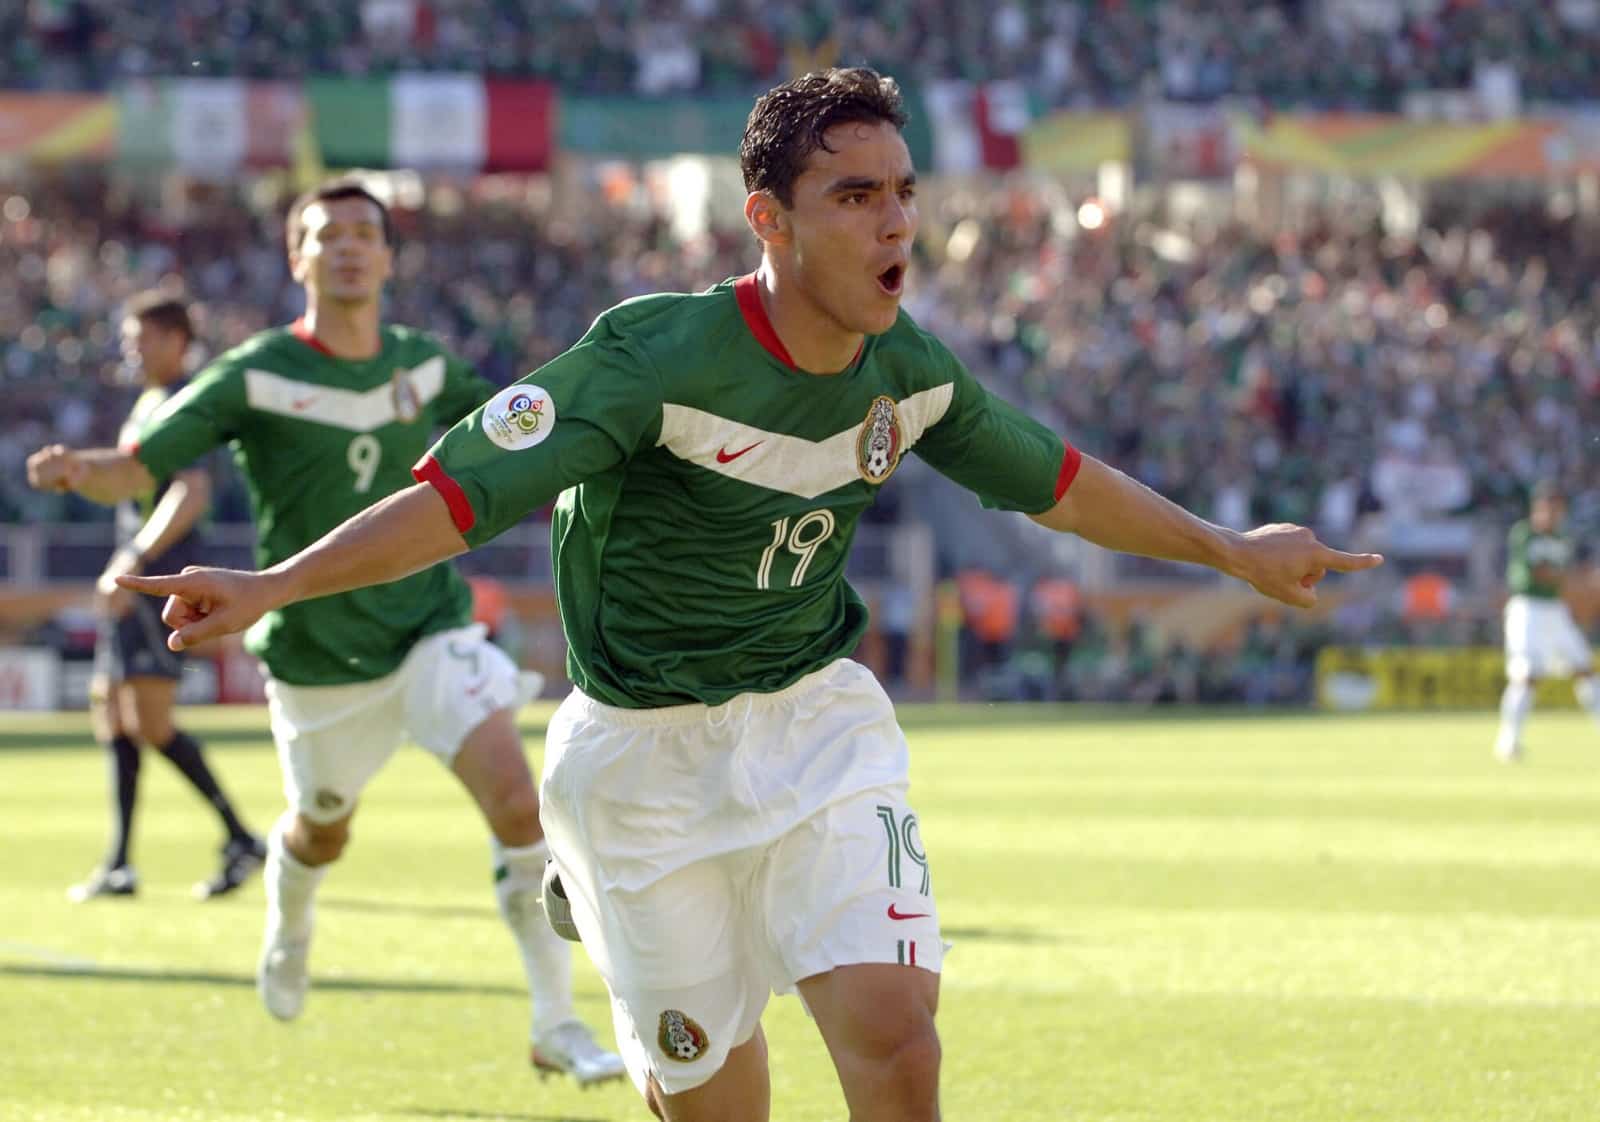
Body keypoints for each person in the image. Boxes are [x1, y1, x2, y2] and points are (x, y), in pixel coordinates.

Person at [110, 71, 1380, 1122]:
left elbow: (1052, 481)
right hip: (639, 763)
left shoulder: (909, 371)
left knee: (894, 1031)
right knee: (716, 1104)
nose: (894, 226)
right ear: (768, 220)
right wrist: (277, 580)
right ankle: (594, 894)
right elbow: (457, 497)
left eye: (902, 196)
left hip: (812, 722)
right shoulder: (649, 357)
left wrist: (1229, 549)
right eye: (853, 197)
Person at [26, 179, 623, 1085]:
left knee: (514, 799)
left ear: (387, 258)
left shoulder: (424, 366)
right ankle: (290, 907)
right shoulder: (257, 372)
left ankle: (555, 1022)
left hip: (430, 629)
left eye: (362, 233)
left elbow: (519, 434)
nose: (346, 246)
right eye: (325, 234)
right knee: (320, 832)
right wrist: (81, 472)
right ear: (296, 258)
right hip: (315, 660)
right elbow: (143, 466)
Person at [68, 291, 267, 903]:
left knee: (150, 722)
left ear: (177, 339)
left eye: (144, 337)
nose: (133, 349)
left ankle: (241, 838)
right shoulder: (149, 402)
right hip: (132, 579)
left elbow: (192, 490)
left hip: (159, 582)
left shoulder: (185, 404)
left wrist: (133, 560)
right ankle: (121, 862)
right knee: (113, 712)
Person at [1494, 481, 1600, 762]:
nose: (1553, 513)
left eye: (1557, 508)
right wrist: (1582, 582)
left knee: (1585, 670)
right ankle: (1509, 742)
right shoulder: (1525, 534)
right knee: (1527, 675)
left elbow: (1563, 580)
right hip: (1528, 608)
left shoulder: (1564, 538)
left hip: (1555, 610)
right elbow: (1539, 573)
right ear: (1537, 508)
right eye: (1548, 507)